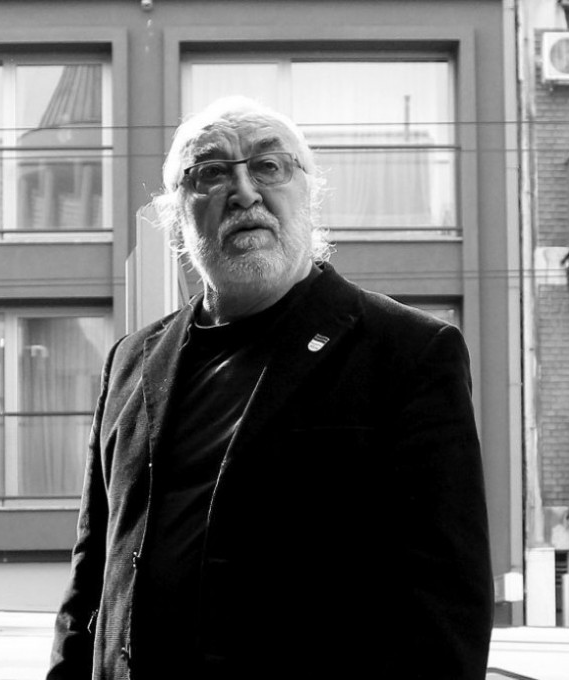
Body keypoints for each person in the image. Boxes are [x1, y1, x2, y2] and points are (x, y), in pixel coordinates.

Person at [47, 96, 494, 680]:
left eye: (268, 166)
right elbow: (92, 574)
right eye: (211, 173)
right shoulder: (131, 360)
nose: (245, 193)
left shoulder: (407, 352)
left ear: (309, 191)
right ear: (178, 214)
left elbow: (446, 605)